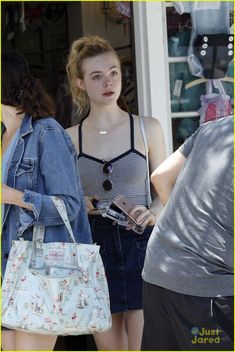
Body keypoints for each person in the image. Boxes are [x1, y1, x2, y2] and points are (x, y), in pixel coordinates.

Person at [66, 35, 165, 350]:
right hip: (95, 247)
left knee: (142, 346)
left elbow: (166, 193)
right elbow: (61, 200)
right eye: (96, 76)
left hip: (141, 243)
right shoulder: (69, 138)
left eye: (113, 72)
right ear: (81, 83)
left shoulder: (147, 128)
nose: (108, 82)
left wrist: (154, 213)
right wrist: (79, 202)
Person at [1, 51, 92, 351]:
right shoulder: (3, 137)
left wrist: (13, 196)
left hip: (33, 270)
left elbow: (69, 205)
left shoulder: (45, 132)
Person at [141, 115, 234, 351]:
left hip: (159, 267)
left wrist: (188, 228)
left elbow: (160, 177)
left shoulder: (213, 128)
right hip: (206, 285)